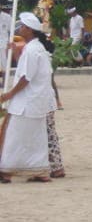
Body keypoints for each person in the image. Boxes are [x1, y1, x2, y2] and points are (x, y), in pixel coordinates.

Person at [0, 13, 58, 183]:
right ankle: (39, 169)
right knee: (35, 137)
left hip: (27, 101)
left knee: (14, 135)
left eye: (23, 27)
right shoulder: (36, 48)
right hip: (35, 101)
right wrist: (16, 52)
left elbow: (26, 77)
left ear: (30, 30)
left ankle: (6, 170)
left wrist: (10, 94)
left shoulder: (33, 50)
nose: (20, 29)